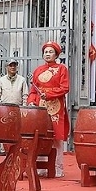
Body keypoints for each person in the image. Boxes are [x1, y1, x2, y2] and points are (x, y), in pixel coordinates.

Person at [26, 41, 70, 178]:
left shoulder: (62, 69)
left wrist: (49, 94)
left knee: (56, 137)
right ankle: (40, 167)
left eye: (51, 52)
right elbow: (33, 90)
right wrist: (31, 102)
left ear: (56, 55)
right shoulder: (38, 70)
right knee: (40, 136)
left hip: (56, 107)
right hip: (40, 107)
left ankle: (58, 167)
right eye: (46, 52)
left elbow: (64, 88)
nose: (48, 54)